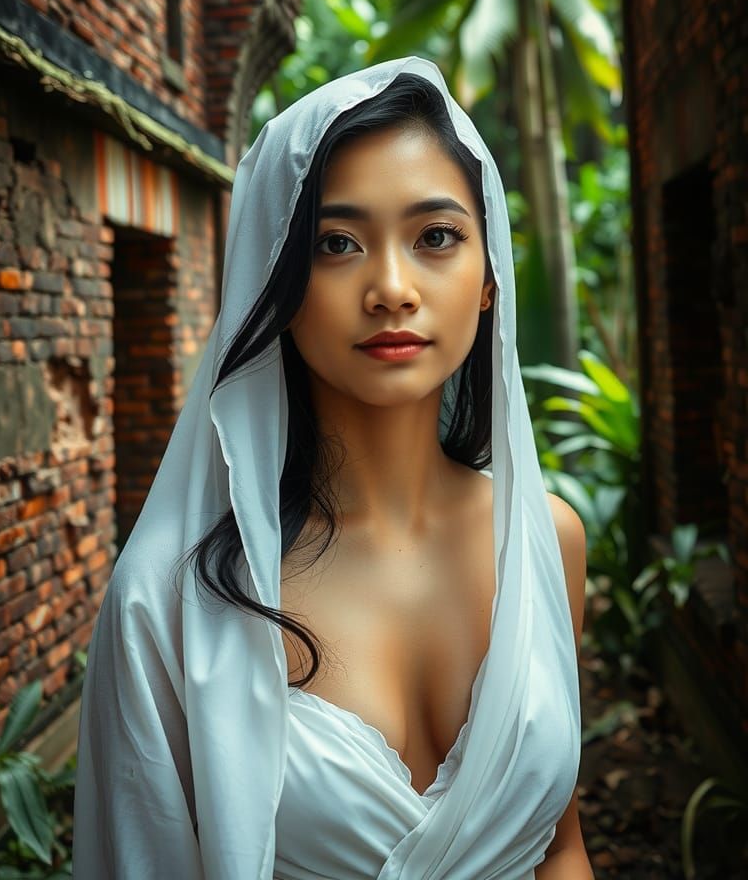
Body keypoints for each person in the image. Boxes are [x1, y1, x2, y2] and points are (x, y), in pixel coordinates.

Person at [72, 57, 592, 879]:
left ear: (489, 278)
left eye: (436, 237)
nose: (391, 288)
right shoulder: (173, 596)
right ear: (275, 285)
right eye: (337, 243)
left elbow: (558, 847)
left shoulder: (546, 541)